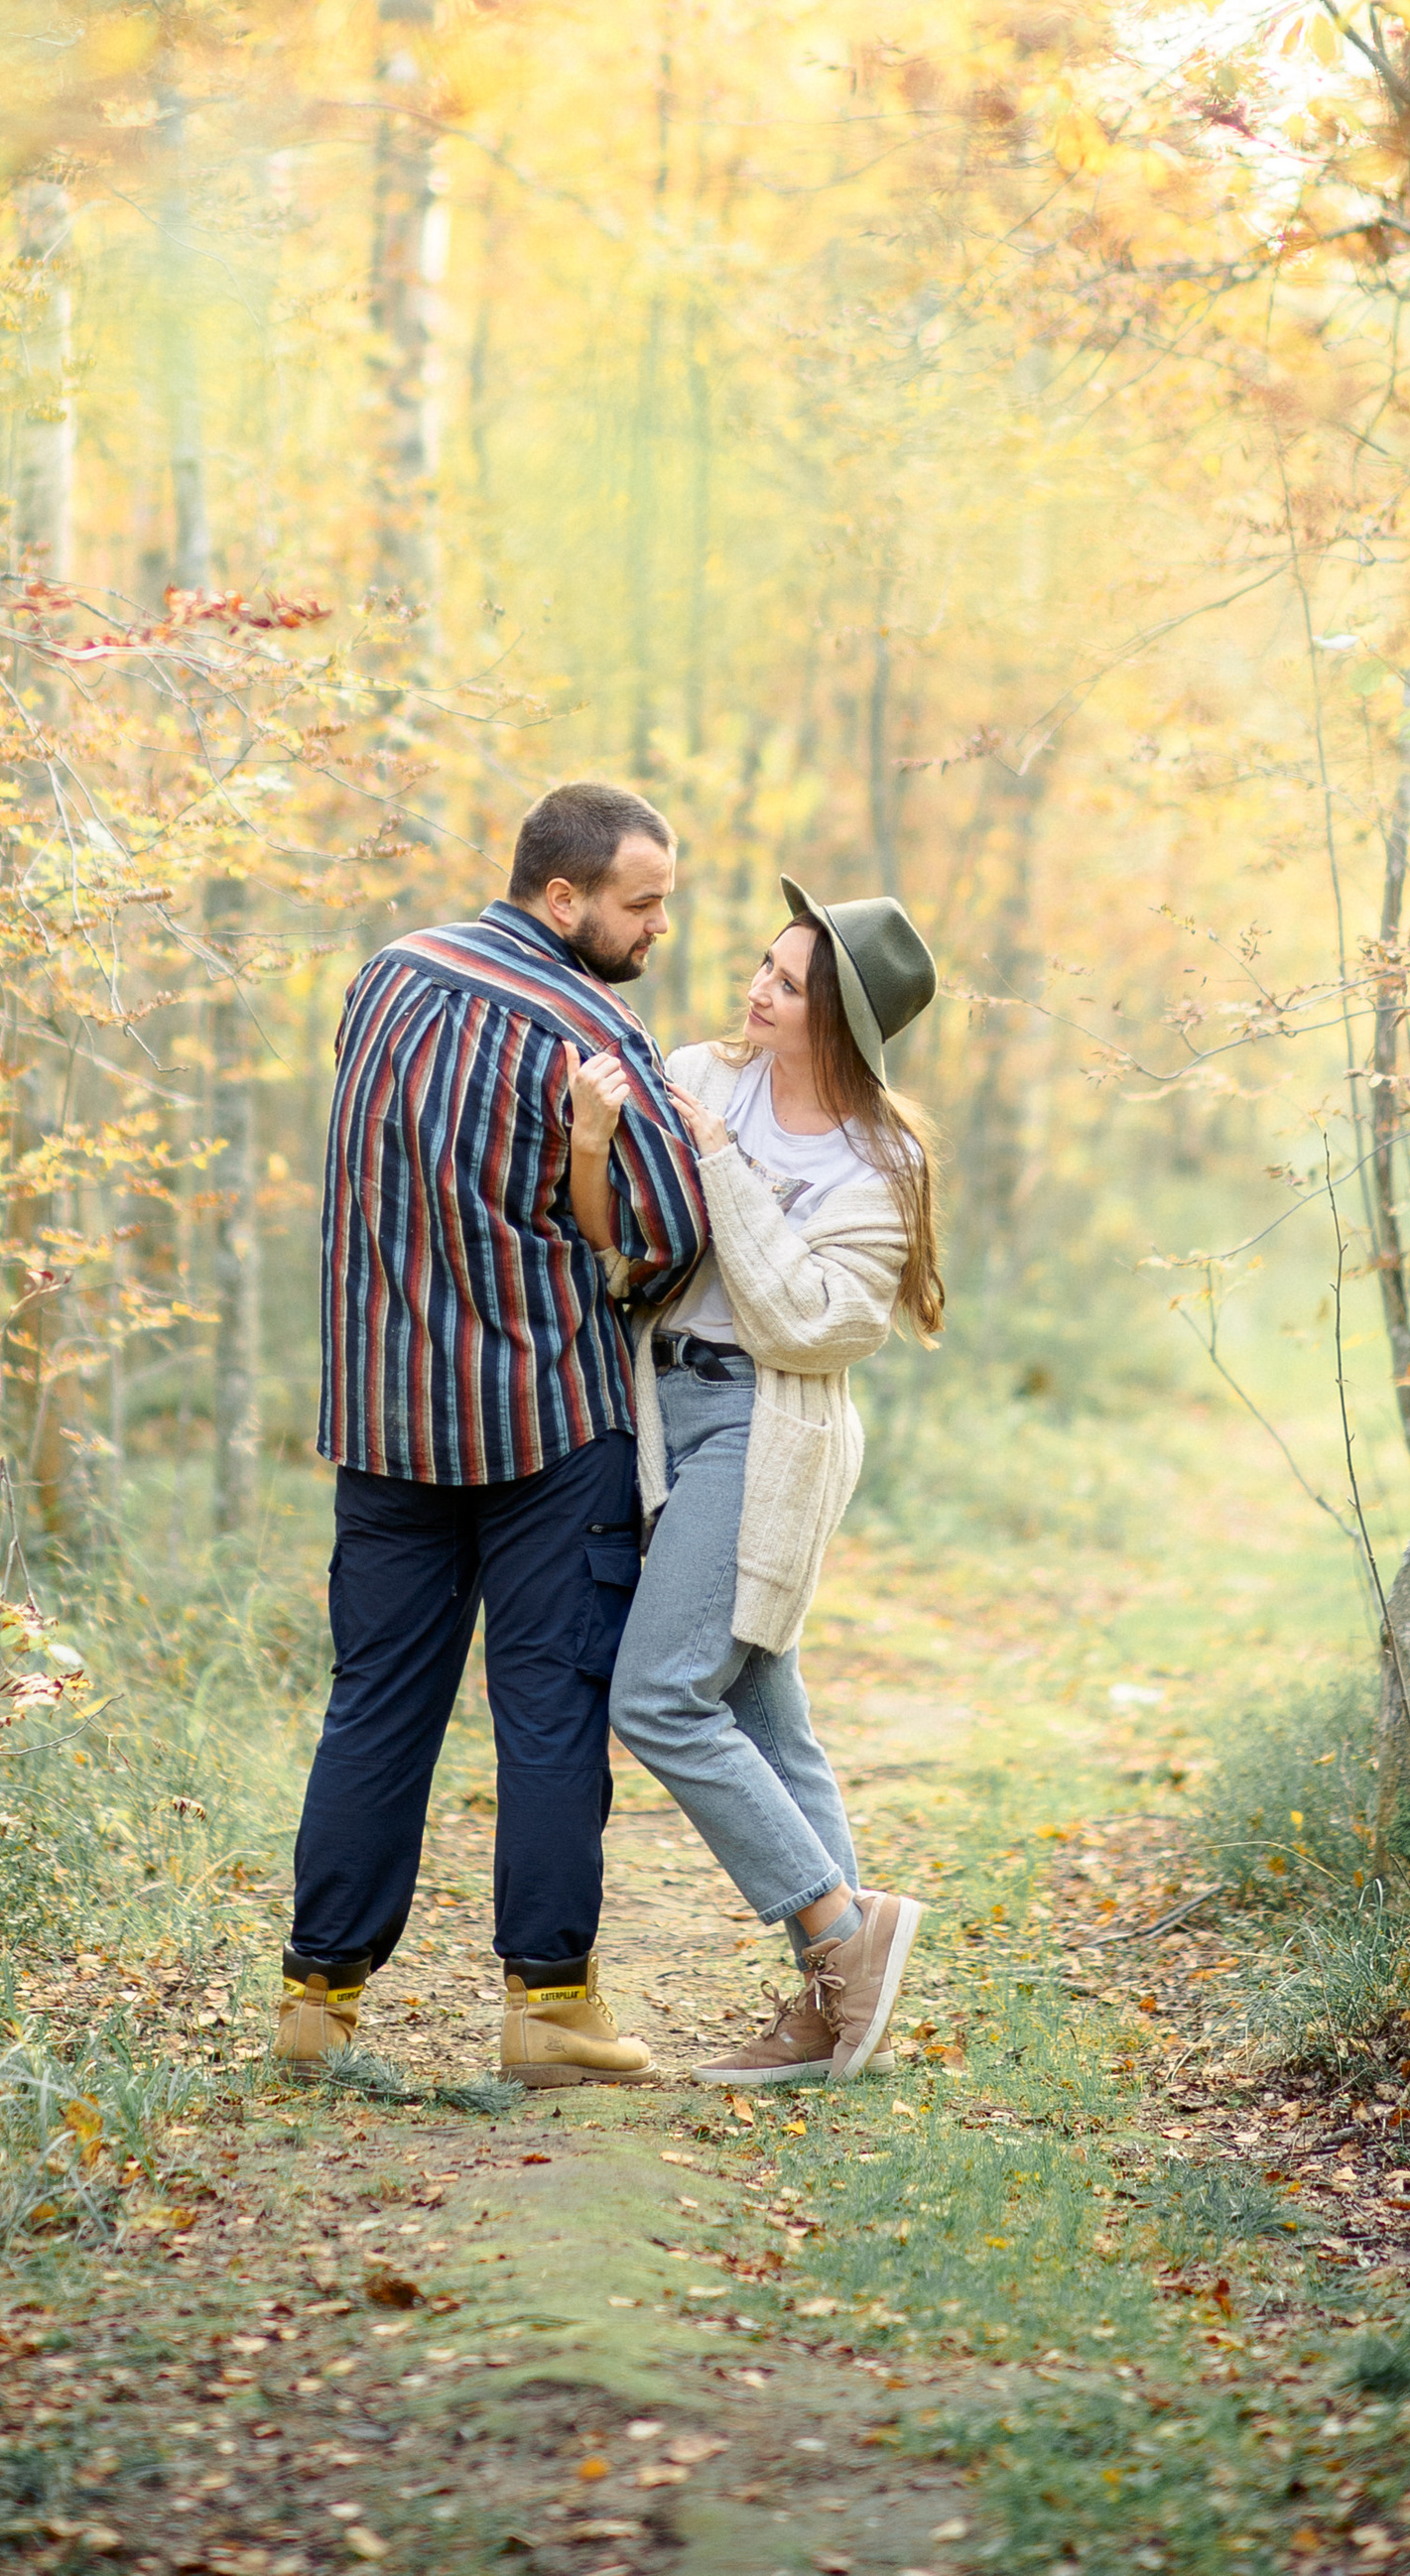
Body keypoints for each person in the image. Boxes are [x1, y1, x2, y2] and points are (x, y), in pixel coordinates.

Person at [277, 782, 710, 2087]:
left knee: (375, 1707)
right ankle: (550, 2016)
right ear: (564, 896)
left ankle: (315, 2006)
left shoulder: (384, 977)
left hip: (383, 1416)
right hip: (544, 1429)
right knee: (551, 1714)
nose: (658, 931)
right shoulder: (591, 1028)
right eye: (642, 905)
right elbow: (670, 1234)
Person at [568, 876, 942, 2087]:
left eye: (786, 982)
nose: (755, 990)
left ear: (836, 1016)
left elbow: (800, 1324)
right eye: (762, 967)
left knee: (664, 1694)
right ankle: (838, 2010)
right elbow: (622, 1229)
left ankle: (839, 1935)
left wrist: (723, 1163)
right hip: (658, 1414)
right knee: (769, 1715)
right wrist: (599, 1142)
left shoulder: (879, 1166)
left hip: (767, 1429)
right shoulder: (702, 1070)